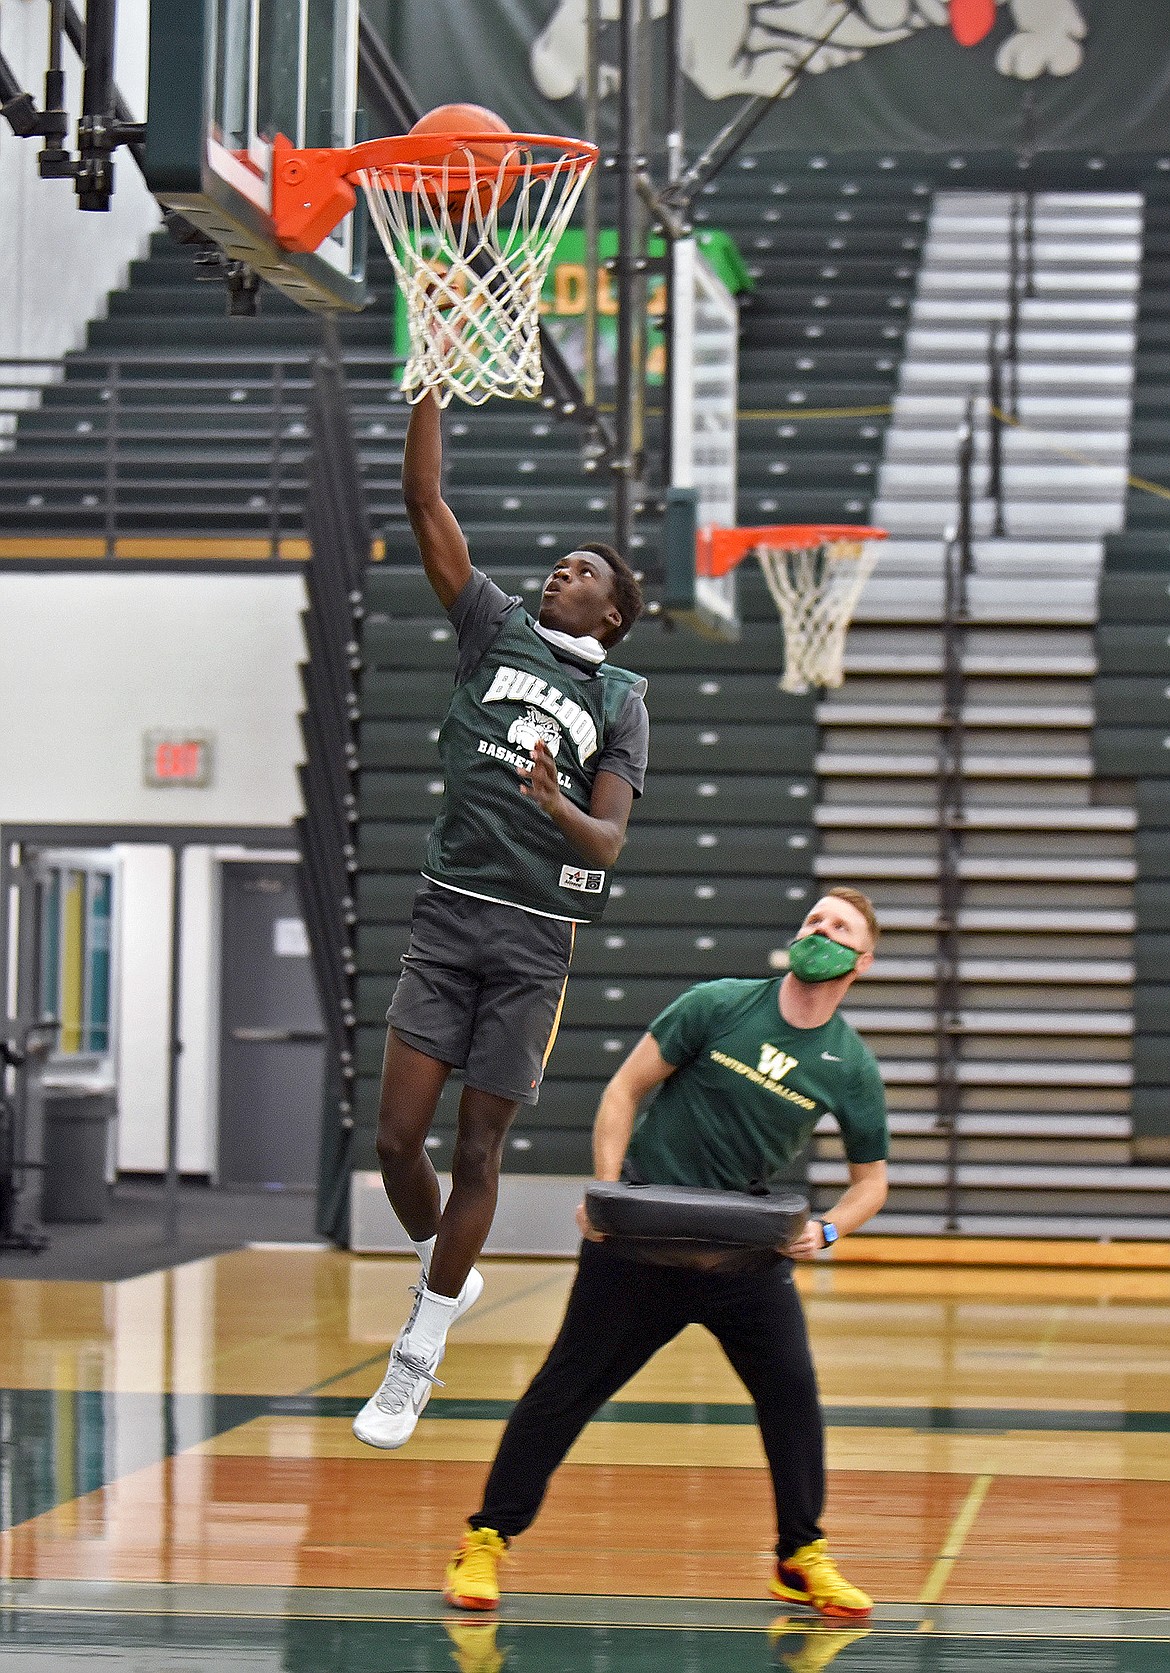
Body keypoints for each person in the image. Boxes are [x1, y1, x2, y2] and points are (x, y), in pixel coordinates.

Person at [443, 887, 889, 1617]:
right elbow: (624, 1090)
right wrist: (608, 1190)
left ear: (861, 960)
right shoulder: (718, 1004)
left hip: (743, 1255)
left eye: (838, 927)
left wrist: (830, 1227)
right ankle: (486, 1538)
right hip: (641, 1241)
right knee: (566, 1388)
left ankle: (799, 1557)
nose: (819, 929)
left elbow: (872, 1182)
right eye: (813, 918)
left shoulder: (849, 1064)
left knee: (793, 1399)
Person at [353, 390, 649, 1450]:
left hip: (534, 939)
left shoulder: (621, 701)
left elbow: (608, 842)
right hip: (449, 913)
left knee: (478, 1148)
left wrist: (553, 800)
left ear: (609, 613)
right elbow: (422, 496)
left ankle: (417, 1352)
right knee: (394, 1140)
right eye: (560, 563)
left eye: (583, 570)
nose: (559, 572)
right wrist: (432, 376)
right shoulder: (493, 627)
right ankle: (451, 1272)